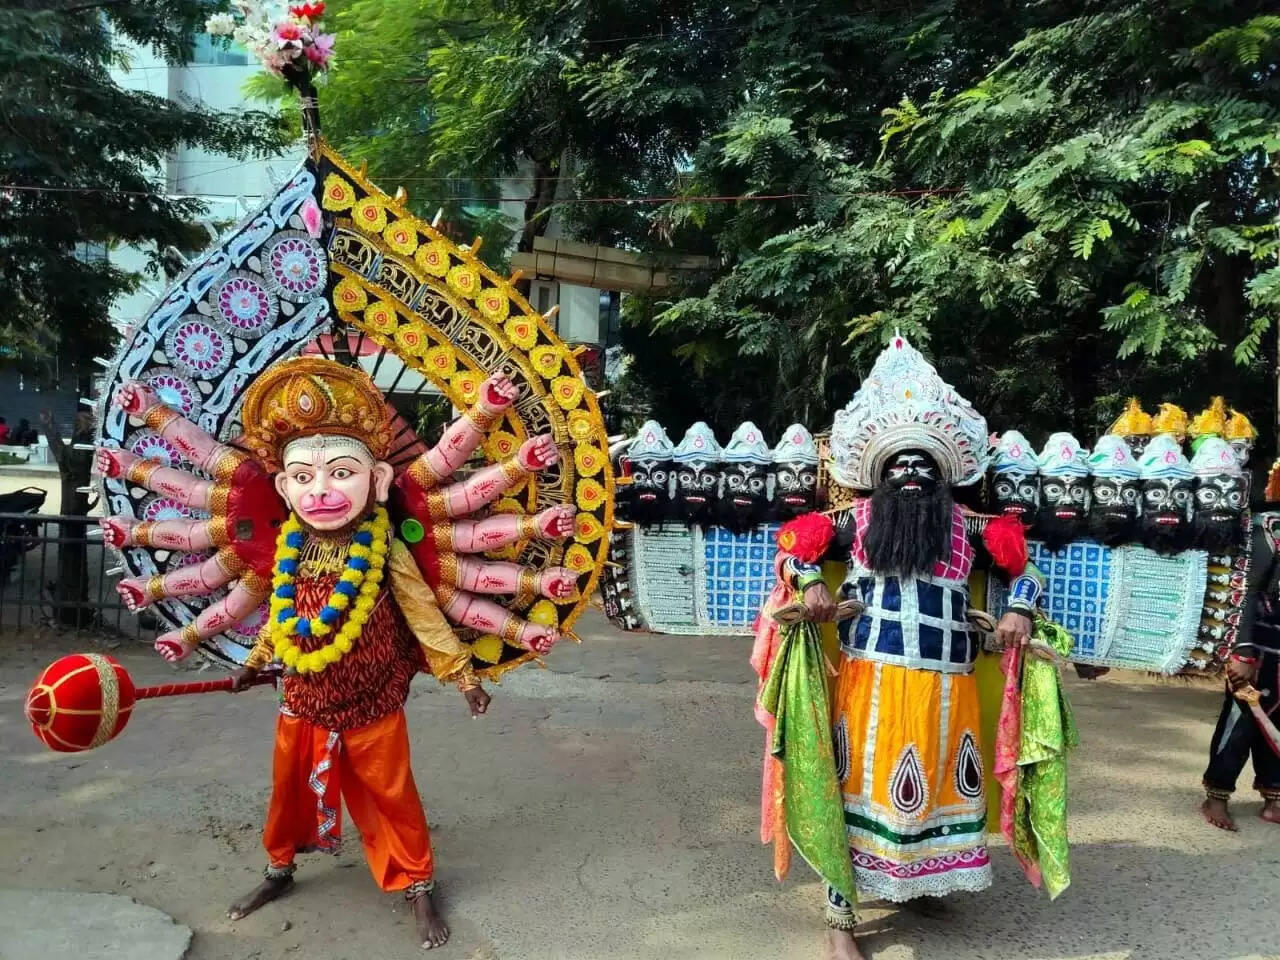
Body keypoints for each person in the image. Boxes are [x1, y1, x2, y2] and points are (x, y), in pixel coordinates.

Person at [92, 358, 577, 950]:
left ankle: (417, 885)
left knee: (390, 793)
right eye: (302, 478)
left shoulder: (386, 548)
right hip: (302, 693)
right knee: (287, 790)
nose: (319, 492)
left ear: (375, 481)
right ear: (281, 489)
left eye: (339, 473)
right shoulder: (287, 550)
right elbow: (281, 613)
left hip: (374, 696)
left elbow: (424, 614)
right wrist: (253, 664)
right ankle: (279, 869)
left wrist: (462, 676)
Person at [771, 335, 1038, 960]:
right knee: (856, 789)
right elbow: (793, 545)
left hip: (950, 685)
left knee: (943, 788)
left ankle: (921, 883)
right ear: (879, 479)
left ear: (945, 478)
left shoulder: (974, 528)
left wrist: (1020, 610)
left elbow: (1024, 570)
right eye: (901, 468)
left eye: (926, 467)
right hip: (871, 683)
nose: (913, 476)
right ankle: (841, 921)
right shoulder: (855, 523)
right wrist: (810, 586)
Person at [1201, 476, 1280, 831]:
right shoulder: (1267, 529)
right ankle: (1216, 796)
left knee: (1278, 720)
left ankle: (1274, 797)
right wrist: (1242, 650)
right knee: (1241, 719)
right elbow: (1245, 591)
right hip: (1258, 647)